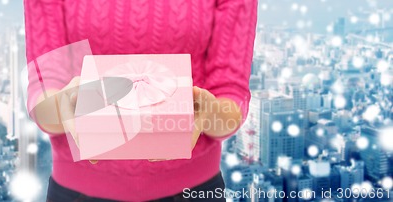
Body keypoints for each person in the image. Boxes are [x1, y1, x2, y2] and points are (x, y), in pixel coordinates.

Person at [24, 0, 257, 201]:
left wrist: (209, 111)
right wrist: (62, 104)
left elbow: (231, 92)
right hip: (78, 191)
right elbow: (44, 88)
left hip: (194, 191)